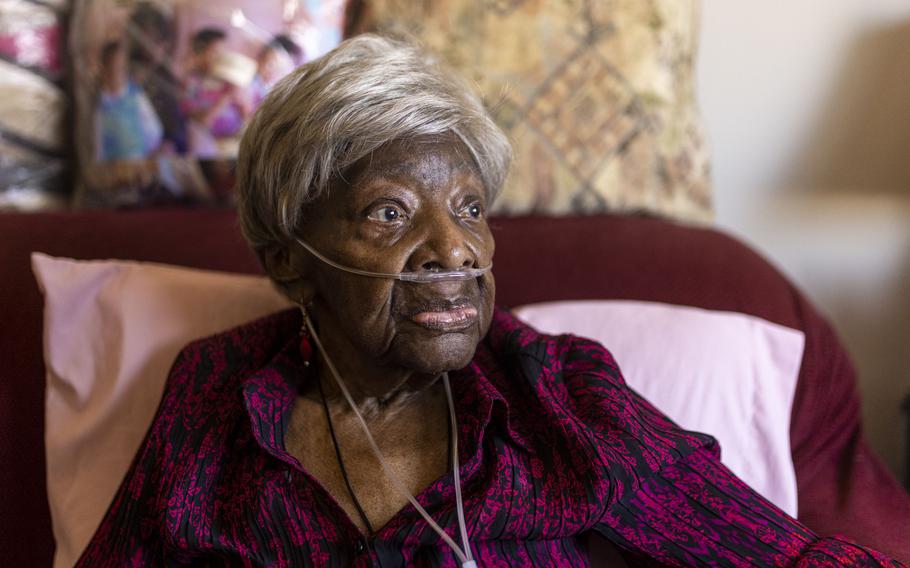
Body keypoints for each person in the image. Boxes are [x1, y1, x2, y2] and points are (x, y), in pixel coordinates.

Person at [76, 35, 905, 566]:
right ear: (292, 264)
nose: (456, 249)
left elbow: (777, 557)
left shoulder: (563, 398)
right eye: (390, 213)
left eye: (469, 207)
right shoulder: (216, 395)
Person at [181, 27, 250, 157]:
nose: (220, 58)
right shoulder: (192, 83)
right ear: (199, 54)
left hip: (235, 139)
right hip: (211, 144)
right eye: (215, 52)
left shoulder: (227, 80)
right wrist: (225, 97)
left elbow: (247, 117)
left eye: (223, 52)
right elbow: (202, 122)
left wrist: (241, 101)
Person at [95, 40, 164, 162]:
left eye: (121, 68)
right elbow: (96, 139)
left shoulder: (135, 94)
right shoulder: (98, 101)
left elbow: (154, 131)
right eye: (112, 67)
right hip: (110, 163)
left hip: (136, 159)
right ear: (103, 68)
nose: (116, 73)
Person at [249, 34, 304, 109]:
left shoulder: (270, 92)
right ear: (260, 58)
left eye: (280, 70)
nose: (272, 71)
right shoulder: (250, 80)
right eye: (270, 64)